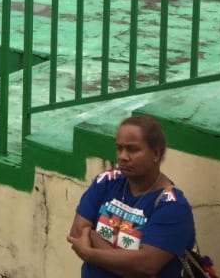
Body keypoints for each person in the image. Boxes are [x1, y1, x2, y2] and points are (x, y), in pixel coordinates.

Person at [68, 115, 195, 278]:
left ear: (155, 154)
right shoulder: (107, 181)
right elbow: (77, 231)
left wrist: (90, 252)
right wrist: (125, 262)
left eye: (132, 149)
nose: (123, 156)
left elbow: (146, 265)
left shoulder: (173, 206)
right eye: (119, 148)